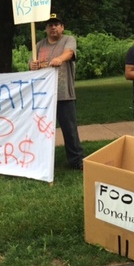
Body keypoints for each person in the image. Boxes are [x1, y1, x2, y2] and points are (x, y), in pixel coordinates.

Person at [29, 13, 84, 170]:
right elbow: (31, 63)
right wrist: (32, 65)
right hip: (42, 97)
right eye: (50, 25)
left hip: (63, 94)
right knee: (40, 130)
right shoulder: (39, 45)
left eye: (56, 24)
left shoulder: (68, 40)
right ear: (46, 29)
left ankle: (76, 160)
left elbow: (69, 53)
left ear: (62, 27)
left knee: (70, 130)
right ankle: (38, 159)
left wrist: (60, 58)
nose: (53, 27)